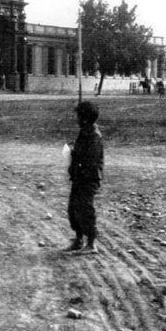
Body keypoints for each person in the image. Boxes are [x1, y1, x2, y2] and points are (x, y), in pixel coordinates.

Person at [66, 100, 104, 253]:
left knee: (85, 208)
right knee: (73, 208)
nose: (76, 119)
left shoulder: (93, 135)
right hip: (79, 176)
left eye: (78, 115)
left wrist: (75, 153)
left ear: (85, 118)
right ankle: (78, 239)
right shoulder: (85, 131)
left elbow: (89, 159)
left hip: (89, 178)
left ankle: (91, 243)